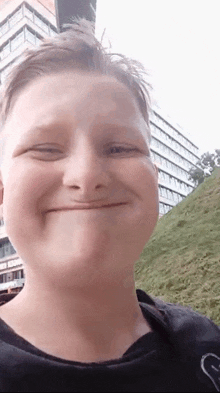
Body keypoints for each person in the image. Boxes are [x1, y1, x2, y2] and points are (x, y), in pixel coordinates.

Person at [0, 17, 219, 392]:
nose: (86, 176)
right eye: (46, 149)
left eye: (120, 148)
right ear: (2, 192)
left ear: (155, 178)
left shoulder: (206, 346)